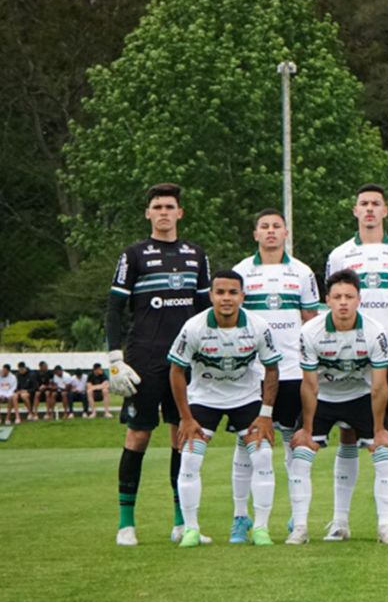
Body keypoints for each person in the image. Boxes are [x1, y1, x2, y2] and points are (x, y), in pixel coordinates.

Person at [106, 183, 212, 547]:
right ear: (148, 213)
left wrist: (208, 352)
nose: (164, 212)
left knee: (182, 437)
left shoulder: (197, 255)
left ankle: (182, 522)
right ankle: (126, 524)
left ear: (180, 213)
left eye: (170, 206)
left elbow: (204, 312)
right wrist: (113, 357)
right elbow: (114, 309)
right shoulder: (134, 255)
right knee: (138, 436)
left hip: (184, 361)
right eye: (157, 206)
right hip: (144, 359)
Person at [326, 183, 388, 539]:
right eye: (363, 203)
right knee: (348, 435)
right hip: (351, 358)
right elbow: (334, 303)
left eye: (375, 204)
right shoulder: (340, 255)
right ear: (355, 211)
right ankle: (340, 521)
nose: (369, 209)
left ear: (385, 211)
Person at [168, 270, 282, 547]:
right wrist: (185, 417)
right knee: (190, 458)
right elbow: (175, 371)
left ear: (242, 296)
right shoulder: (193, 327)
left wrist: (266, 415)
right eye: (220, 292)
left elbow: (271, 369)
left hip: (245, 398)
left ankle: (261, 529)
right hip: (204, 398)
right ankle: (192, 529)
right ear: (211, 296)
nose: (226, 298)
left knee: (263, 456)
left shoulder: (258, 326)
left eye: (233, 292)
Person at [286, 270, 388, 545]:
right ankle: (300, 528)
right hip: (323, 397)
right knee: (301, 453)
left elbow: (380, 386)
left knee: (382, 451)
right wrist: (308, 429)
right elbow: (310, 385)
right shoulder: (310, 331)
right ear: (328, 300)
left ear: (359, 299)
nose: (343, 302)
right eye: (337, 297)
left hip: (360, 396)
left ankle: (385, 527)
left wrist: (380, 428)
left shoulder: (376, 332)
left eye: (349, 296)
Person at [230, 208, 321, 543]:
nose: (270, 232)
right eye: (264, 227)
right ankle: (241, 517)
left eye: (276, 227)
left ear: (286, 234)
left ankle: (296, 520)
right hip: (252, 374)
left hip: (294, 372)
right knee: (247, 444)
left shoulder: (302, 272)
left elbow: (311, 320)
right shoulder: (241, 272)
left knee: (293, 444)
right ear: (255, 234)